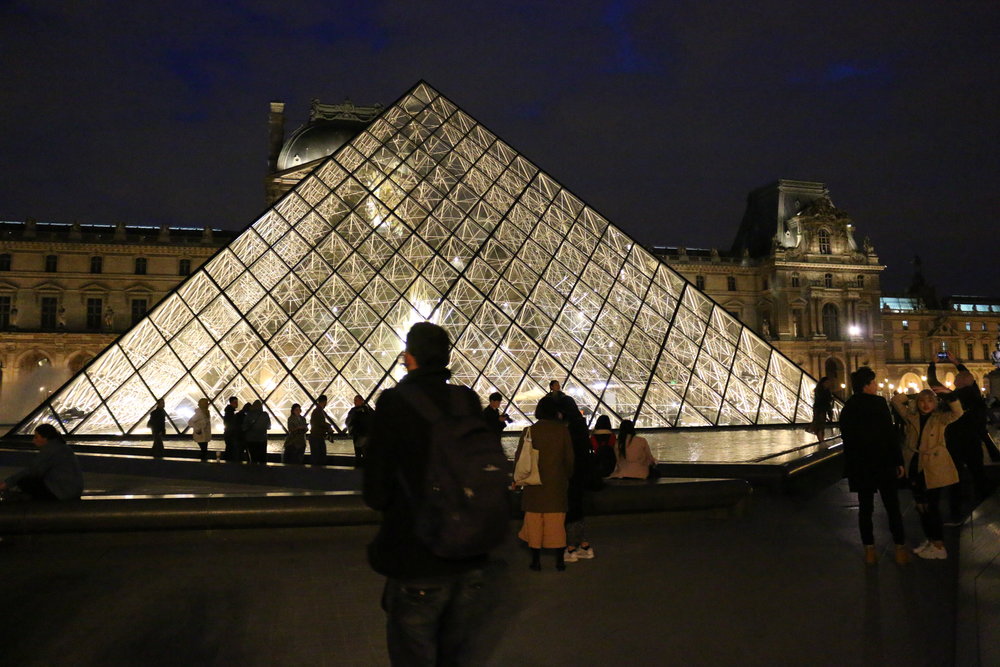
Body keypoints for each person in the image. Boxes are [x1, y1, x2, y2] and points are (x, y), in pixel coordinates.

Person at [364, 322, 498, 665]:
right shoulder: (466, 400)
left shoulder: (394, 403)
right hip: (471, 555)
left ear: (409, 358)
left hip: (418, 558)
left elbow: (375, 492)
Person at [840, 367, 908, 565]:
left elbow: (847, 438)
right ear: (867, 385)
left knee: (865, 509)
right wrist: (898, 461)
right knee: (892, 507)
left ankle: (869, 550)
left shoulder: (848, 407)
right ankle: (900, 549)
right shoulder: (879, 404)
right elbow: (889, 435)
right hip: (882, 462)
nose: (877, 386)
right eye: (874, 383)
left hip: (861, 465)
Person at [891, 388, 963, 559]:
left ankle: (939, 546)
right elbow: (895, 401)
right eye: (922, 401)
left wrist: (949, 395)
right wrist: (913, 395)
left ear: (935, 403)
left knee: (932, 506)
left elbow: (958, 411)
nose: (925, 404)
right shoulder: (911, 416)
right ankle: (931, 540)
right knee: (920, 506)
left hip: (933, 465)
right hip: (915, 464)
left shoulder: (941, 418)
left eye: (930, 401)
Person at [929, 352, 995, 522]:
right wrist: (956, 362)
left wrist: (932, 365)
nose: (954, 380)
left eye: (956, 378)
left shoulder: (955, 397)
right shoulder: (974, 394)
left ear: (959, 382)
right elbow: (968, 377)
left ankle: (956, 512)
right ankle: (988, 506)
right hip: (973, 440)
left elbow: (933, 383)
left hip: (956, 442)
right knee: (977, 472)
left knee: (955, 476)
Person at [515, 394, 575, 571]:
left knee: (534, 522)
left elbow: (519, 458)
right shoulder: (562, 431)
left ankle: (536, 560)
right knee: (556, 523)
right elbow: (569, 459)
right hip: (555, 485)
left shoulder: (529, 431)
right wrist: (567, 476)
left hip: (533, 485)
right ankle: (559, 561)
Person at [0, 424, 83, 501]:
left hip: (62, 493)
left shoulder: (50, 450)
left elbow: (33, 471)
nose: (33, 441)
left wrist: (7, 483)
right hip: (72, 491)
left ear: (45, 438)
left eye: (36, 437)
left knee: (25, 481)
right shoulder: (62, 447)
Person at [345, 394, 373, 466]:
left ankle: (359, 468)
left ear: (361, 401)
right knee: (365, 453)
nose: (355, 402)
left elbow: (348, 421)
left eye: (356, 401)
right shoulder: (369, 410)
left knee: (359, 453)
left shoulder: (354, 411)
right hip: (364, 435)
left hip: (359, 435)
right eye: (354, 401)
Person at [242, 400, 271, 465]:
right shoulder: (265, 414)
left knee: (253, 457)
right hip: (262, 439)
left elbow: (244, 427)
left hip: (251, 439)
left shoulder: (249, 415)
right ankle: (262, 472)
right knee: (262, 457)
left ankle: (253, 471)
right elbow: (269, 427)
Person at [309, 395, 334, 466]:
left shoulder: (317, 411)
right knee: (319, 458)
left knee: (317, 457)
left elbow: (316, 423)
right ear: (325, 402)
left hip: (316, 437)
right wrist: (329, 426)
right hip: (317, 438)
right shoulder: (318, 411)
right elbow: (320, 423)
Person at [810, 376, 835, 441]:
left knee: (821, 425)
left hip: (821, 408)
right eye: (826, 382)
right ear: (822, 383)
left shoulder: (824, 390)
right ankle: (821, 439)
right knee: (820, 425)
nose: (828, 384)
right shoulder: (821, 391)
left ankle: (821, 439)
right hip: (819, 409)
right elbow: (823, 400)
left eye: (828, 382)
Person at [188, 398, 211, 462]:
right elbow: (190, 422)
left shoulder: (206, 412)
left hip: (205, 435)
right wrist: (197, 428)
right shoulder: (199, 413)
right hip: (200, 435)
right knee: (204, 450)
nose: (208, 404)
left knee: (204, 450)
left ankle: (202, 463)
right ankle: (202, 464)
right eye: (206, 403)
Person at [223, 396, 241, 462]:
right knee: (230, 451)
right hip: (230, 435)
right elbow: (231, 424)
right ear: (231, 403)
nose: (237, 404)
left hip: (228, 434)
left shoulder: (229, 411)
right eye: (235, 402)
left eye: (237, 402)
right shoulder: (230, 413)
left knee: (229, 450)